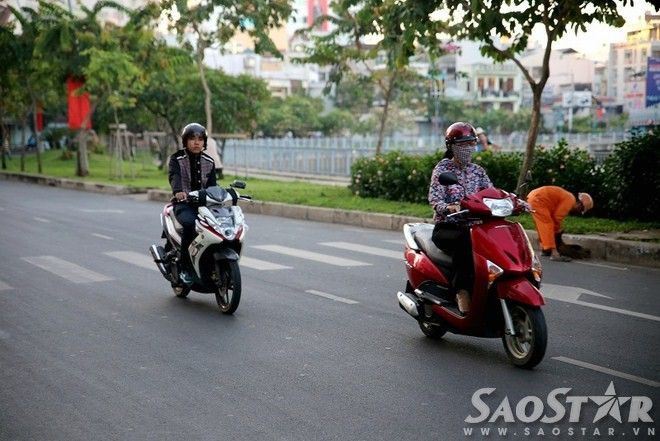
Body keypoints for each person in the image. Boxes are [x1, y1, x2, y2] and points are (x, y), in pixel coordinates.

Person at [428, 122, 493, 314]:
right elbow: (434, 198)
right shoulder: (443, 170)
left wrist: (513, 201)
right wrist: (448, 207)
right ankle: (461, 290)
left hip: (476, 225)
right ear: (451, 146)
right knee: (467, 239)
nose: (468, 149)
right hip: (448, 226)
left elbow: (491, 192)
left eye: (471, 144)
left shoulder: (478, 171)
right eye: (462, 145)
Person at [168, 123, 217, 283]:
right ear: (185, 141)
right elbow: (174, 176)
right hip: (184, 204)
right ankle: (185, 268)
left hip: (204, 206)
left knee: (216, 229)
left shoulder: (209, 162)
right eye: (192, 139)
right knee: (190, 224)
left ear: (204, 142)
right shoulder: (177, 159)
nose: (196, 142)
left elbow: (212, 187)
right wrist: (178, 191)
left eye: (200, 139)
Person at [526, 186, 594, 262]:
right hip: (539, 199)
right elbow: (557, 217)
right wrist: (558, 231)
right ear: (580, 204)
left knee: (542, 226)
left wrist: (557, 230)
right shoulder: (570, 200)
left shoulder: (568, 197)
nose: (578, 211)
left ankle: (545, 249)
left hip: (534, 197)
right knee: (547, 225)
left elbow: (554, 215)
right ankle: (554, 254)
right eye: (581, 209)